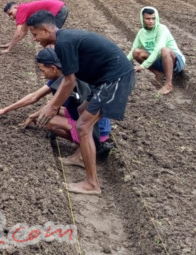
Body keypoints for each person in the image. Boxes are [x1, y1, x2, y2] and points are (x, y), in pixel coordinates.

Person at [26, 11, 135, 195]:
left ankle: (92, 184)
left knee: (83, 125)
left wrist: (52, 106)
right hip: (104, 81)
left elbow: (68, 82)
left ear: (45, 30)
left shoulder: (64, 43)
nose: (35, 39)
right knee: (82, 109)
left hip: (115, 80)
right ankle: (79, 156)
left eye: (35, 34)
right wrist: (52, 104)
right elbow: (70, 79)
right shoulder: (65, 40)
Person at [0, 49, 111, 165]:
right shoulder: (64, 76)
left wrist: (36, 115)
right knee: (51, 114)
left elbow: (52, 107)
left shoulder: (69, 83)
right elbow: (34, 96)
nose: (42, 73)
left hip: (96, 131)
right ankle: (80, 143)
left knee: (49, 122)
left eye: (42, 70)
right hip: (85, 120)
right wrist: (4, 110)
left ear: (53, 68)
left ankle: (83, 154)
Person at [127, 7, 185, 95]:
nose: (151, 21)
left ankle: (168, 84)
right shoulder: (141, 32)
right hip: (158, 60)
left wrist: (143, 66)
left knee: (164, 50)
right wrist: (123, 63)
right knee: (136, 52)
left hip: (175, 60)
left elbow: (158, 49)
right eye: (148, 19)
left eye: (153, 18)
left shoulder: (162, 29)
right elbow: (132, 50)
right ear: (142, 19)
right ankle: (159, 73)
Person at [0, 0, 68, 53]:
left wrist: (9, 49)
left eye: (11, 13)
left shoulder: (20, 10)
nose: (11, 17)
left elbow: (18, 33)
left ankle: (50, 57)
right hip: (61, 7)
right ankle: (50, 54)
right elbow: (23, 32)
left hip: (58, 9)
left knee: (50, 34)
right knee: (51, 34)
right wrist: (10, 44)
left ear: (16, 7)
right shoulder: (25, 11)